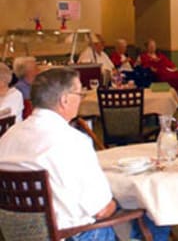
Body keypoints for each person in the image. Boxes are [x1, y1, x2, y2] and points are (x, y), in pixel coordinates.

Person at [0, 68, 168, 240]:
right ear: (65, 100)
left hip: (17, 234)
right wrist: (119, 204)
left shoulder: (6, 138)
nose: (80, 100)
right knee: (155, 215)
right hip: (72, 235)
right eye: (79, 94)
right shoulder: (72, 141)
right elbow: (101, 209)